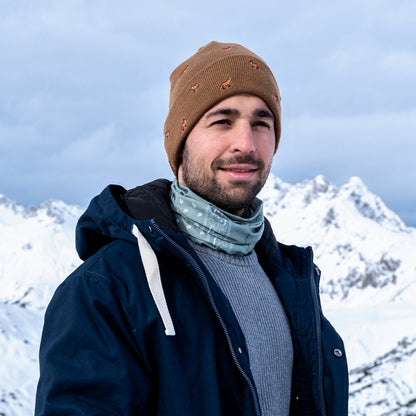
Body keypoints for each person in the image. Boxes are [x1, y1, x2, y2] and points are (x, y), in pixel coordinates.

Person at [35, 41, 348, 416]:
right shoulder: (108, 288)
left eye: (261, 123)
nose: (245, 143)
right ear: (181, 143)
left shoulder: (290, 282)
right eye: (222, 122)